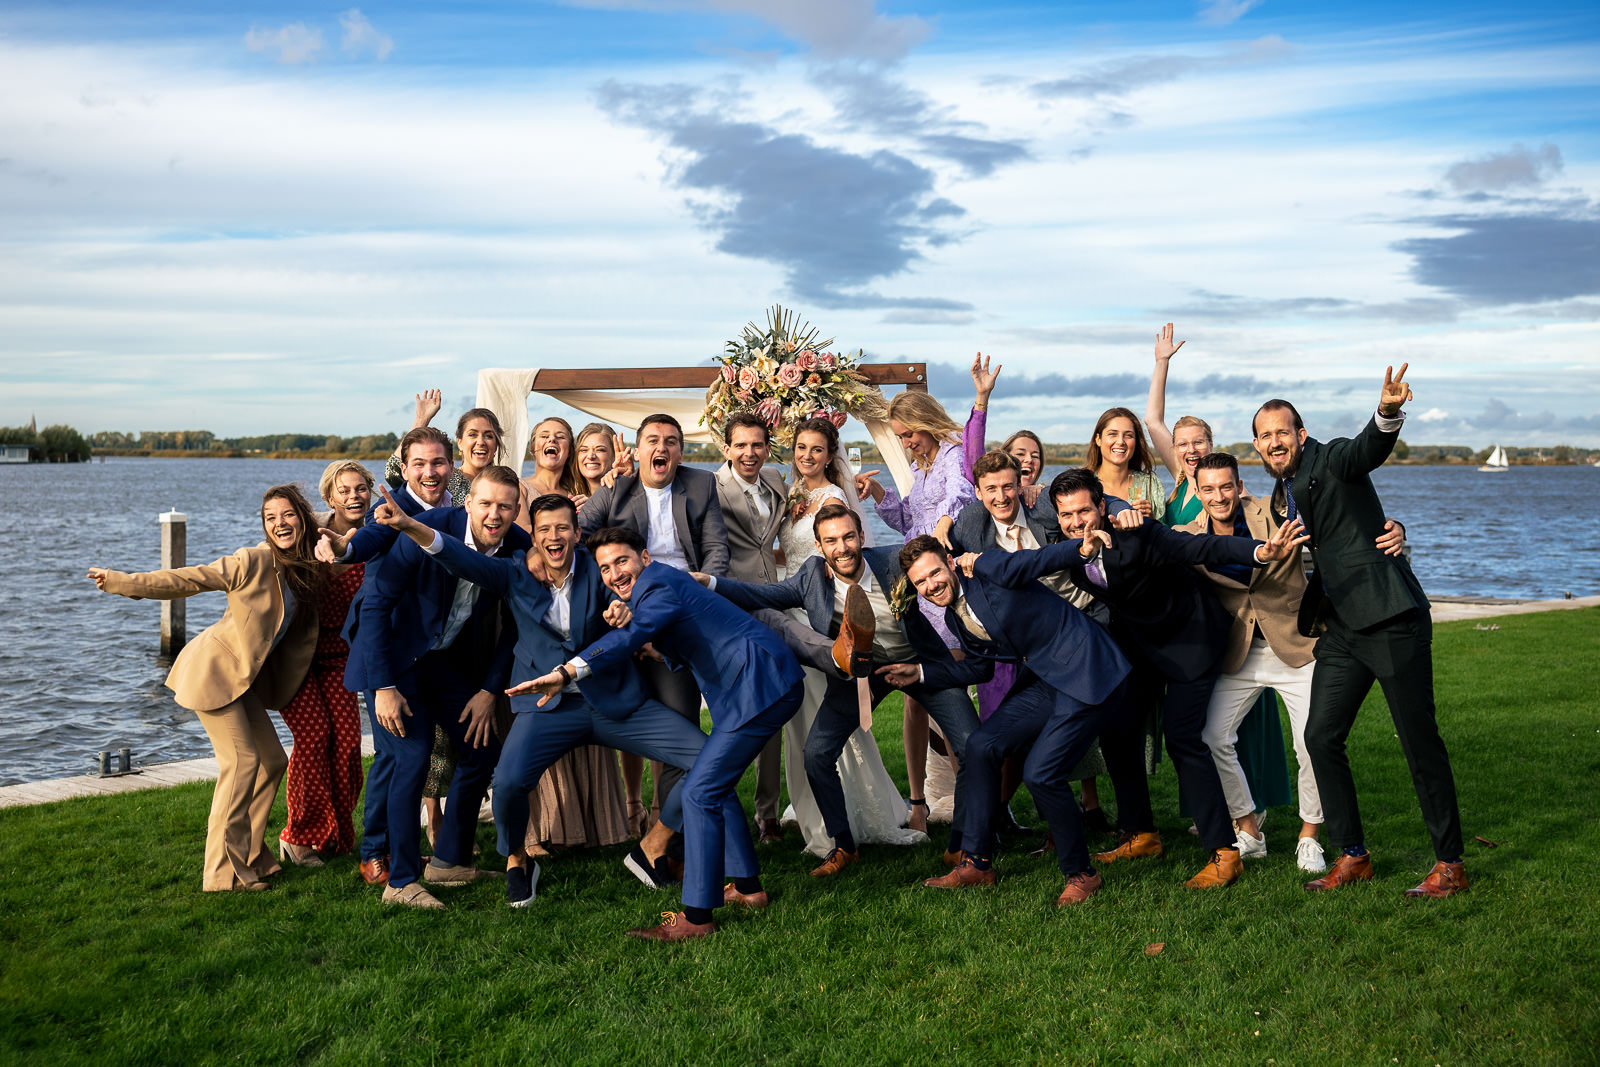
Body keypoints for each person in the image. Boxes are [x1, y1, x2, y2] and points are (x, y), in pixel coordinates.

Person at [374, 489, 715, 907]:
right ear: (532, 537)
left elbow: (627, 601)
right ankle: (518, 860)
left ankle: (654, 845)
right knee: (509, 783)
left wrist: (624, 613)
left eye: (563, 529)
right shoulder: (514, 572)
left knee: (707, 756)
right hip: (545, 709)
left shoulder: (598, 569)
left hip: (614, 701)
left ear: (576, 533)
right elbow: (460, 558)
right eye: (544, 530)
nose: (554, 537)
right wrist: (410, 525)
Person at [514, 526, 805, 942]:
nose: (614, 573)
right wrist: (650, 639)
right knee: (712, 788)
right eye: (605, 567)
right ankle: (748, 889)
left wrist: (567, 671)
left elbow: (632, 634)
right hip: (755, 684)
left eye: (622, 561)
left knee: (700, 793)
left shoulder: (658, 583)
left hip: (758, 685)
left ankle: (697, 918)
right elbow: (676, 633)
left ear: (644, 558)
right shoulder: (652, 588)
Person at [1256, 365, 1467, 898]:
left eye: (1283, 431)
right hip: (1343, 629)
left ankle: (1450, 865)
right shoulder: (1284, 495)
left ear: (1302, 435)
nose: (1274, 441)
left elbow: (1366, 449)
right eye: (1264, 436)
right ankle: (1353, 855)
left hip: (1391, 619)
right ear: (1257, 446)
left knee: (1420, 744)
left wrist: (1388, 414)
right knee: (1320, 736)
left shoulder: (1330, 460)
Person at [1048, 468, 1307, 888]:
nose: (1077, 521)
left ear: (1102, 507)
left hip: (1193, 641)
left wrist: (1260, 552)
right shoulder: (1068, 550)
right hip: (1142, 647)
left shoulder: (1140, 532)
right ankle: (1142, 833)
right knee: (1115, 728)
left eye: (1084, 511)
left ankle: (1224, 852)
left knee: (1185, 739)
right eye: (1067, 515)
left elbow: (1198, 545)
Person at [699, 503, 988, 877]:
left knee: (972, 745)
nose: (843, 547)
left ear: (862, 537)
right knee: (816, 753)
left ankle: (960, 845)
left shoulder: (891, 562)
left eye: (849, 536)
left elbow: (941, 557)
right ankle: (843, 846)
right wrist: (709, 583)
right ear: (820, 547)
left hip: (920, 664)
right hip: (862, 675)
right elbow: (761, 597)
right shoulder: (810, 580)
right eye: (832, 540)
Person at [88, 485, 321, 891]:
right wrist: (122, 581)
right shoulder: (251, 561)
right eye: (271, 518)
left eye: (287, 515)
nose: (280, 524)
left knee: (272, 762)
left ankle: (251, 855)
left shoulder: (302, 566)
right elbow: (187, 579)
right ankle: (220, 873)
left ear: (302, 517)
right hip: (212, 672)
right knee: (242, 762)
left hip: (243, 680)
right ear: (264, 526)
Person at [901, 535, 1132, 905]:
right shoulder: (952, 614)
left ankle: (1082, 874)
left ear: (949, 561)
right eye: (921, 583)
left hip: (1085, 669)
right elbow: (979, 668)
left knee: (1041, 772)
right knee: (981, 744)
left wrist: (1080, 550)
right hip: (1045, 679)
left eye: (934, 573)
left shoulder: (988, 568)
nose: (931, 586)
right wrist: (922, 674)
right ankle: (976, 863)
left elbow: (1036, 561)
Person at [359, 465, 525, 909]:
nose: (494, 515)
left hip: (444, 662)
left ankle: (449, 861)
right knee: (410, 756)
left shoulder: (520, 547)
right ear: (467, 502)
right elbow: (376, 604)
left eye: (505, 506)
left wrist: (490, 690)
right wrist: (384, 686)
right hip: (396, 659)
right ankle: (400, 882)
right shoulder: (426, 530)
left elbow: (516, 627)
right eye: (485, 503)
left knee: (483, 746)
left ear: (516, 510)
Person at [763, 420, 926, 857]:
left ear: (830, 453)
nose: (808, 456)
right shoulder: (792, 495)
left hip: (821, 615)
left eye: (817, 449)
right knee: (804, 719)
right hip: (794, 604)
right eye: (801, 447)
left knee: (830, 717)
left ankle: (856, 811)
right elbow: (792, 552)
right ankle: (816, 808)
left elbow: (847, 556)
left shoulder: (832, 499)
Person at [318, 424, 466, 886]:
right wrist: (344, 549)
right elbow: (369, 540)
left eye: (438, 462)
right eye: (419, 463)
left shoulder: (457, 510)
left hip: (430, 658)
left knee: (397, 757)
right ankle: (376, 854)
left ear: (451, 466)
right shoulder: (389, 508)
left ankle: (409, 850)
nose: (429, 471)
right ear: (404, 468)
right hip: (386, 655)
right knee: (397, 756)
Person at [948, 451, 1122, 831]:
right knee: (1007, 732)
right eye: (991, 488)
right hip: (1025, 646)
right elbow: (947, 548)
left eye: (1009, 486)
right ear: (978, 492)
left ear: (1021, 484)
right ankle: (992, 819)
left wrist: (1123, 512)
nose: (1001, 496)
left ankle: (1079, 820)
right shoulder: (972, 523)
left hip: (1085, 626)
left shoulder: (1044, 509)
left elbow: (1092, 500)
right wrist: (943, 530)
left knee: (1065, 737)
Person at [1177, 452, 1326, 872]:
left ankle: (1309, 835)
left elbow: (1330, 523)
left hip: (1296, 647)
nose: (1218, 495)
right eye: (1208, 488)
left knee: (1310, 744)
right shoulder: (1189, 534)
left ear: (1238, 484)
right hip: (1239, 653)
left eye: (1226, 486)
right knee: (1211, 737)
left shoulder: (1275, 514)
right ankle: (1249, 829)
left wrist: (1393, 528)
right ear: (1197, 490)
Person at [579, 413, 731, 818]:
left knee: (683, 725)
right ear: (639, 449)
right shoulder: (619, 486)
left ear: (681, 451)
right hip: (629, 610)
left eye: (671, 441)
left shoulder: (701, 484)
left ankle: (670, 822)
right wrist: (607, 482)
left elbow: (717, 547)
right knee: (648, 723)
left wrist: (702, 590)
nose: (661, 448)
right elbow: (576, 532)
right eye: (652, 440)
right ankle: (646, 811)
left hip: (686, 610)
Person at [856, 386, 978, 832]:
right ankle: (919, 801)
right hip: (915, 588)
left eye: (909, 435)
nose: (906, 443)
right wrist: (878, 495)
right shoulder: (921, 466)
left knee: (952, 692)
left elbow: (963, 496)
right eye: (901, 438)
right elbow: (908, 520)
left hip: (942, 580)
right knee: (915, 697)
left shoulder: (952, 455)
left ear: (926, 422)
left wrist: (945, 520)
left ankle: (972, 795)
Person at [514, 416, 630, 855]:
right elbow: (518, 537)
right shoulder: (525, 488)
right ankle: (547, 827)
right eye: (544, 437)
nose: (553, 444)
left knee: (594, 709)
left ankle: (595, 824)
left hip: (590, 606)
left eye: (561, 438)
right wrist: (530, 548)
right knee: (546, 713)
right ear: (532, 445)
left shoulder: (583, 491)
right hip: (540, 609)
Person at [275, 461, 373, 866]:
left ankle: (334, 830)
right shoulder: (307, 533)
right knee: (314, 738)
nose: (353, 496)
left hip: (342, 659)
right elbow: (271, 544)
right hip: (299, 658)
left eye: (361, 488)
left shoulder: (378, 537)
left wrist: (420, 422)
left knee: (348, 744)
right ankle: (297, 835)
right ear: (329, 497)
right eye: (344, 490)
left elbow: (414, 476)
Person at [713, 412, 790, 844]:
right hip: (732, 608)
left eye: (757, 445)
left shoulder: (777, 480)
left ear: (767, 447)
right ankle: (721, 806)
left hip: (775, 602)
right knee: (736, 710)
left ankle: (768, 813)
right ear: (726, 449)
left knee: (773, 706)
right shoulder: (710, 488)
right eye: (740, 445)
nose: (749, 453)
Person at [575, 421, 652, 835]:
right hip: (586, 616)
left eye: (601, 449)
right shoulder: (575, 500)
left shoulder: (628, 489)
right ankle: (596, 808)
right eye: (584, 448)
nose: (593, 455)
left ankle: (638, 801)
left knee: (638, 703)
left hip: (622, 607)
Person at [1088, 406, 1167, 523]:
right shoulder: (1084, 483)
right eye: (1113, 434)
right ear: (1098, 439)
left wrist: (1151, 521)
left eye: (1128, 435)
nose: (1120, 441)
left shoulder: (1150, 484)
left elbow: (1166, 536)